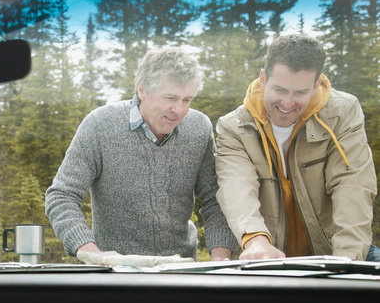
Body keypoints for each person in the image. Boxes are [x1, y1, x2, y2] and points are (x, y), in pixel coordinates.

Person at [45, 45, 237, 264]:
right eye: (170, 98)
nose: (180, 110)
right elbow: (61, 196)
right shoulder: (99, 125)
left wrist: (220, 258)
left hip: (182, 273)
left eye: (187, 100)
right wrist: (90, 251)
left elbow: (216, 199)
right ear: (142, 90)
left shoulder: (200, 127)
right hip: (116, 275)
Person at [215, 34, 378, 262]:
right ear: (263, 79)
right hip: (270, 254)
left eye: (300, 93)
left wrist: (346, 261)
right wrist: (255, 241)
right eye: (280, 90)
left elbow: (352, 186)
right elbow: (236, 188)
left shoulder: (343, 113)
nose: (288, 103)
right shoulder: (234, 127)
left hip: (337, 249)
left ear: (316, 85)